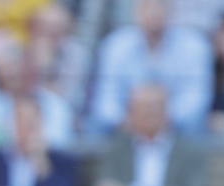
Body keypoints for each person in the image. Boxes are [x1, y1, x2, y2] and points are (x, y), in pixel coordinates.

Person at [90, 0, 213, 136]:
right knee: (97, 124)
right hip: (125, 127)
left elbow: (195, 98)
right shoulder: (115, 44)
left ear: (171, 10)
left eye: (160, 6)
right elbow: (106, 98)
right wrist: (130, 121)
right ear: (136, 11)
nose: (154, 12)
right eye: (148, 6)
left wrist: (160, 121)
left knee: (196, 125)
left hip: (176, 128)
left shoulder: (194, 45)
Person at [93, 83, 206, 186]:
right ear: (131, 113)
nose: (149, 114)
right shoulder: (117, 148)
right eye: (143, 109)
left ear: (166, 112)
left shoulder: (189, 151)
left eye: (154, 108)